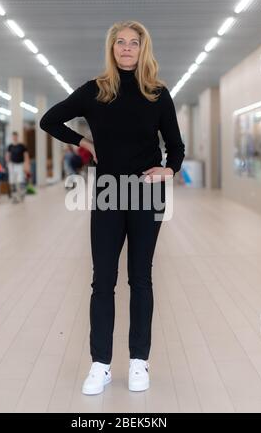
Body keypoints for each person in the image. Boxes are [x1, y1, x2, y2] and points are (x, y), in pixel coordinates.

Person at [40, 20, 185, 395]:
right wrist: (85, 142)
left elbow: (176, 146)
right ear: (112, 48)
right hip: (108, 190)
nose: (125, 48)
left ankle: (139, 362)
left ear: (142, 48)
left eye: (133, 43)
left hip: (146, 193)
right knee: (102, 279)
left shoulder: (157, 93)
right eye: (119, 42)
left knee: (141, 277)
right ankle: (100, 365)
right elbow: (49, 120)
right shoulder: (95, 91)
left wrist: (167, 170)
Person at [5, 131, 30, 203]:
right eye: (13, 136)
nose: (14, 138)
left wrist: (26, 165)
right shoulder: (10, 146)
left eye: (15, 136)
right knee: (12, 181)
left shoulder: (22, 146)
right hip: (12, 165)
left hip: (20, 164)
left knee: (20, 180)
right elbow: (7, 155)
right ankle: (14, 196)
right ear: (12, 137)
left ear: (17, 137)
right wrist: (8, 163)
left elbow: (26, 156)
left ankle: (22, 194)